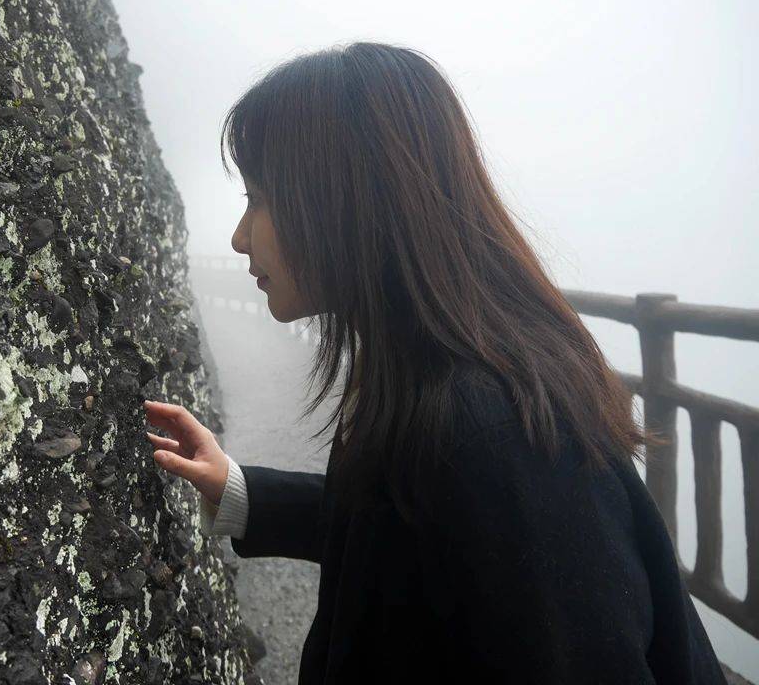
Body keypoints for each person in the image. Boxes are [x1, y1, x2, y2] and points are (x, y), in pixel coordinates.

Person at [143, 42, 728, 684]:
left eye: (259, 200)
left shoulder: (493, 429)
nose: (238, 236)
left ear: (344, 202)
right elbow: (408, 529)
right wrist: (238, 490)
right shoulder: (436, 376)